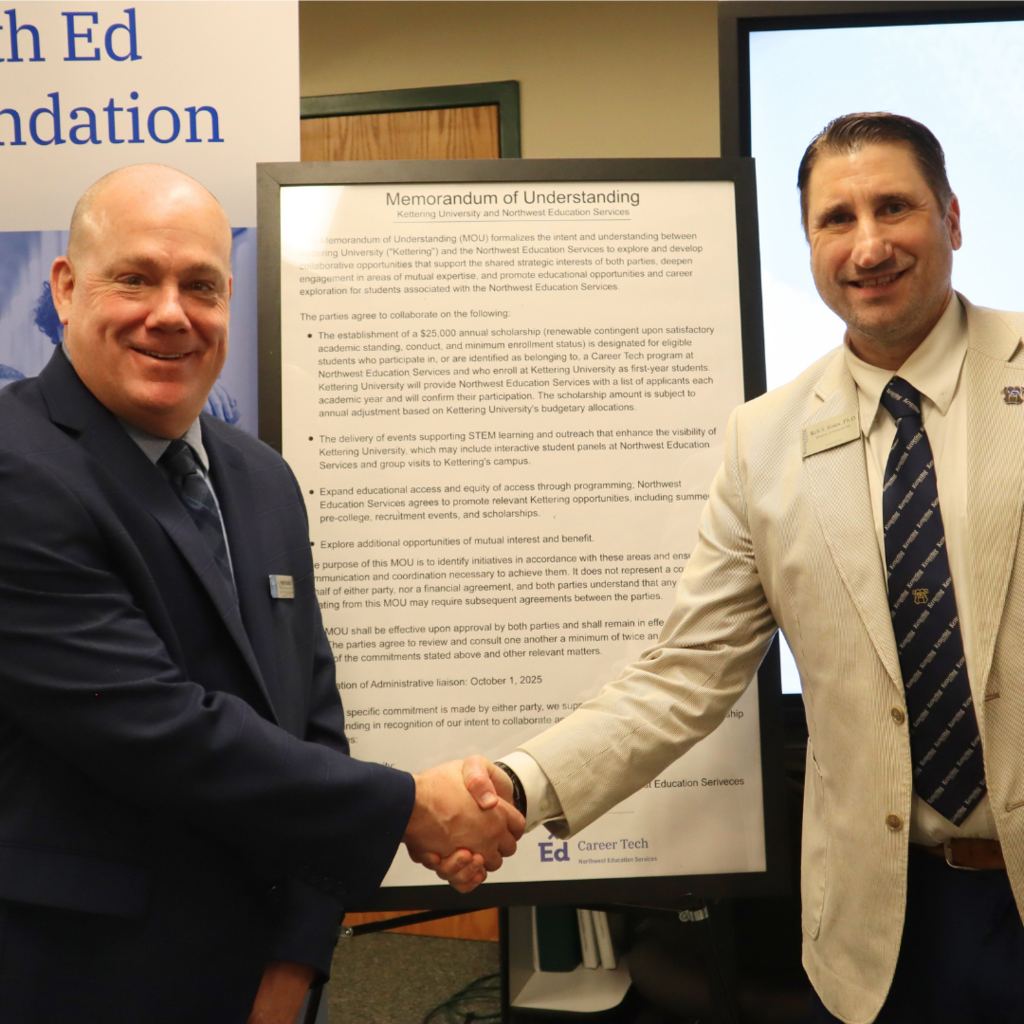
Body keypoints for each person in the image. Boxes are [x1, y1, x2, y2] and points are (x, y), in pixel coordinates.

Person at [446, 113, 1024, 1023]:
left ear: (951, 218)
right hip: (888, 920)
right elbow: (685, 674)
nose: (868, 245)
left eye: (894, 208)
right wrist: (522, 784)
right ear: (809, 244)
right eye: (837, 219)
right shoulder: (766, 442)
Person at [0, 163, 522, 1024]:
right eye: (135, 277)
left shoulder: (262, 478)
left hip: (266, 977)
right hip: (87, 976)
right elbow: (157, 727)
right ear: (65, 288)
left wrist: (297, 957)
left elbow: (310, 713)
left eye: (200, 286)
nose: (171, 312)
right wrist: (407, 808)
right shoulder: (18, 467)